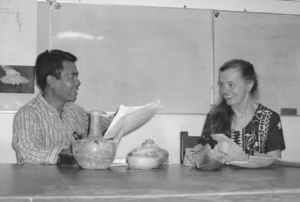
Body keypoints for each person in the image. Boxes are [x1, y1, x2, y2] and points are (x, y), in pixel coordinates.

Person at [12, 50, 113, 164]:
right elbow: (29, 154)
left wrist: (127, 116)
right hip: (42, 181)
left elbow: (105, 126)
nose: (78, 82)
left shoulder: (75, 111)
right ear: (51, 81)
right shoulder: (28, 114)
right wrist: (76, 151)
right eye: (72, 77)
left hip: (75, 181)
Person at [199, 59, 285, 158]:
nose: (224, 91)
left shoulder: (270, 118)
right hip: (220, 174)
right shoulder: (214, 116)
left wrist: (243, 158)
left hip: (258, 174)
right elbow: (202, 152)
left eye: (231, 85)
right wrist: (198, 153)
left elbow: (274, 161)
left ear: (249, 85)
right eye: (222, 85)